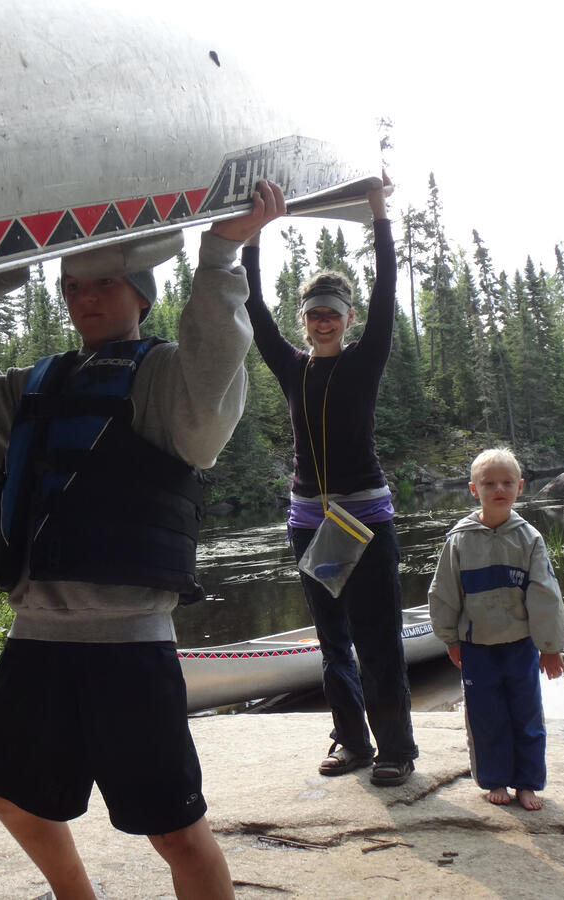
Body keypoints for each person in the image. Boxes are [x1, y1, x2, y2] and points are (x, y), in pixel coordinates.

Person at [0, 181, 287, 900]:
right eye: (74, 283)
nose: (87, 296)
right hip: (37, 639)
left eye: (106, 282)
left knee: (174, 830)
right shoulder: (34, 388)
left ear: (141, 294)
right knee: (4, 793)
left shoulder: (171, 386)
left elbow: (214, 361)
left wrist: (221, 250)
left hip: (130, 645)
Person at [241, 180, 419, 787]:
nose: (322, 323)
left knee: (379, 638)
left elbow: (389, 289)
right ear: (306, 320)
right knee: (332, 640)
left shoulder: (364, 360)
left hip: (365, 518)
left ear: (348, 319)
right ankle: (352, 741)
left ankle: (395, 748)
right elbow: (254, 309)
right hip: (309, 523)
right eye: (313, 315)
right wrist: (255, 234)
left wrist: (378, 215)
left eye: (332, 315)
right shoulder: (292, 367)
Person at [427, 447, 564, 811]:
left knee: (526, 714)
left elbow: (545, 596)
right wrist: (450, 638)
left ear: (520, 487)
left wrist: (550, 646)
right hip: (477, 648)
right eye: (489, 483)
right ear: (474, 490)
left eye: (507, 482)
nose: (498, 489)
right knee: (486, 716)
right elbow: (444, 593)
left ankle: (527, 783)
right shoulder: (460, 540)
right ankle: (495, 779)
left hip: (520, 646)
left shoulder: (529, 538)